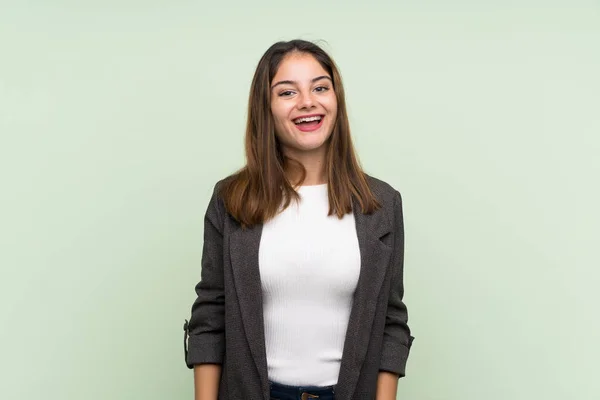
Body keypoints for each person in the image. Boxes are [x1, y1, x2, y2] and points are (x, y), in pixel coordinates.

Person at [183, 39, 414, 400]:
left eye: (320, 87)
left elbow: (391, 323)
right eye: (287, 92)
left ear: (336, 100)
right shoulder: (231, 200)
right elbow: (210, 319)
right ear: (267, 108)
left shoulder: (380, 205)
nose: (308, 101)